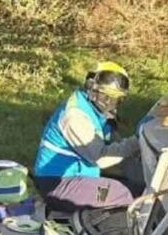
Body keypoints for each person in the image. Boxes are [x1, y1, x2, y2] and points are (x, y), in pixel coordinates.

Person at [33, 61, 142, 212]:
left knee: (138, 188)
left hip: (78, 178)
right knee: (135, 196)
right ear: (91, 87)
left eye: (115, 98)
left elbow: (113, 141)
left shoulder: (93, 108)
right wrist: (137, 143)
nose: (110, 103)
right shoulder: (75, 116)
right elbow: (101, 159)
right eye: (105, 96)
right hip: (59, 184)